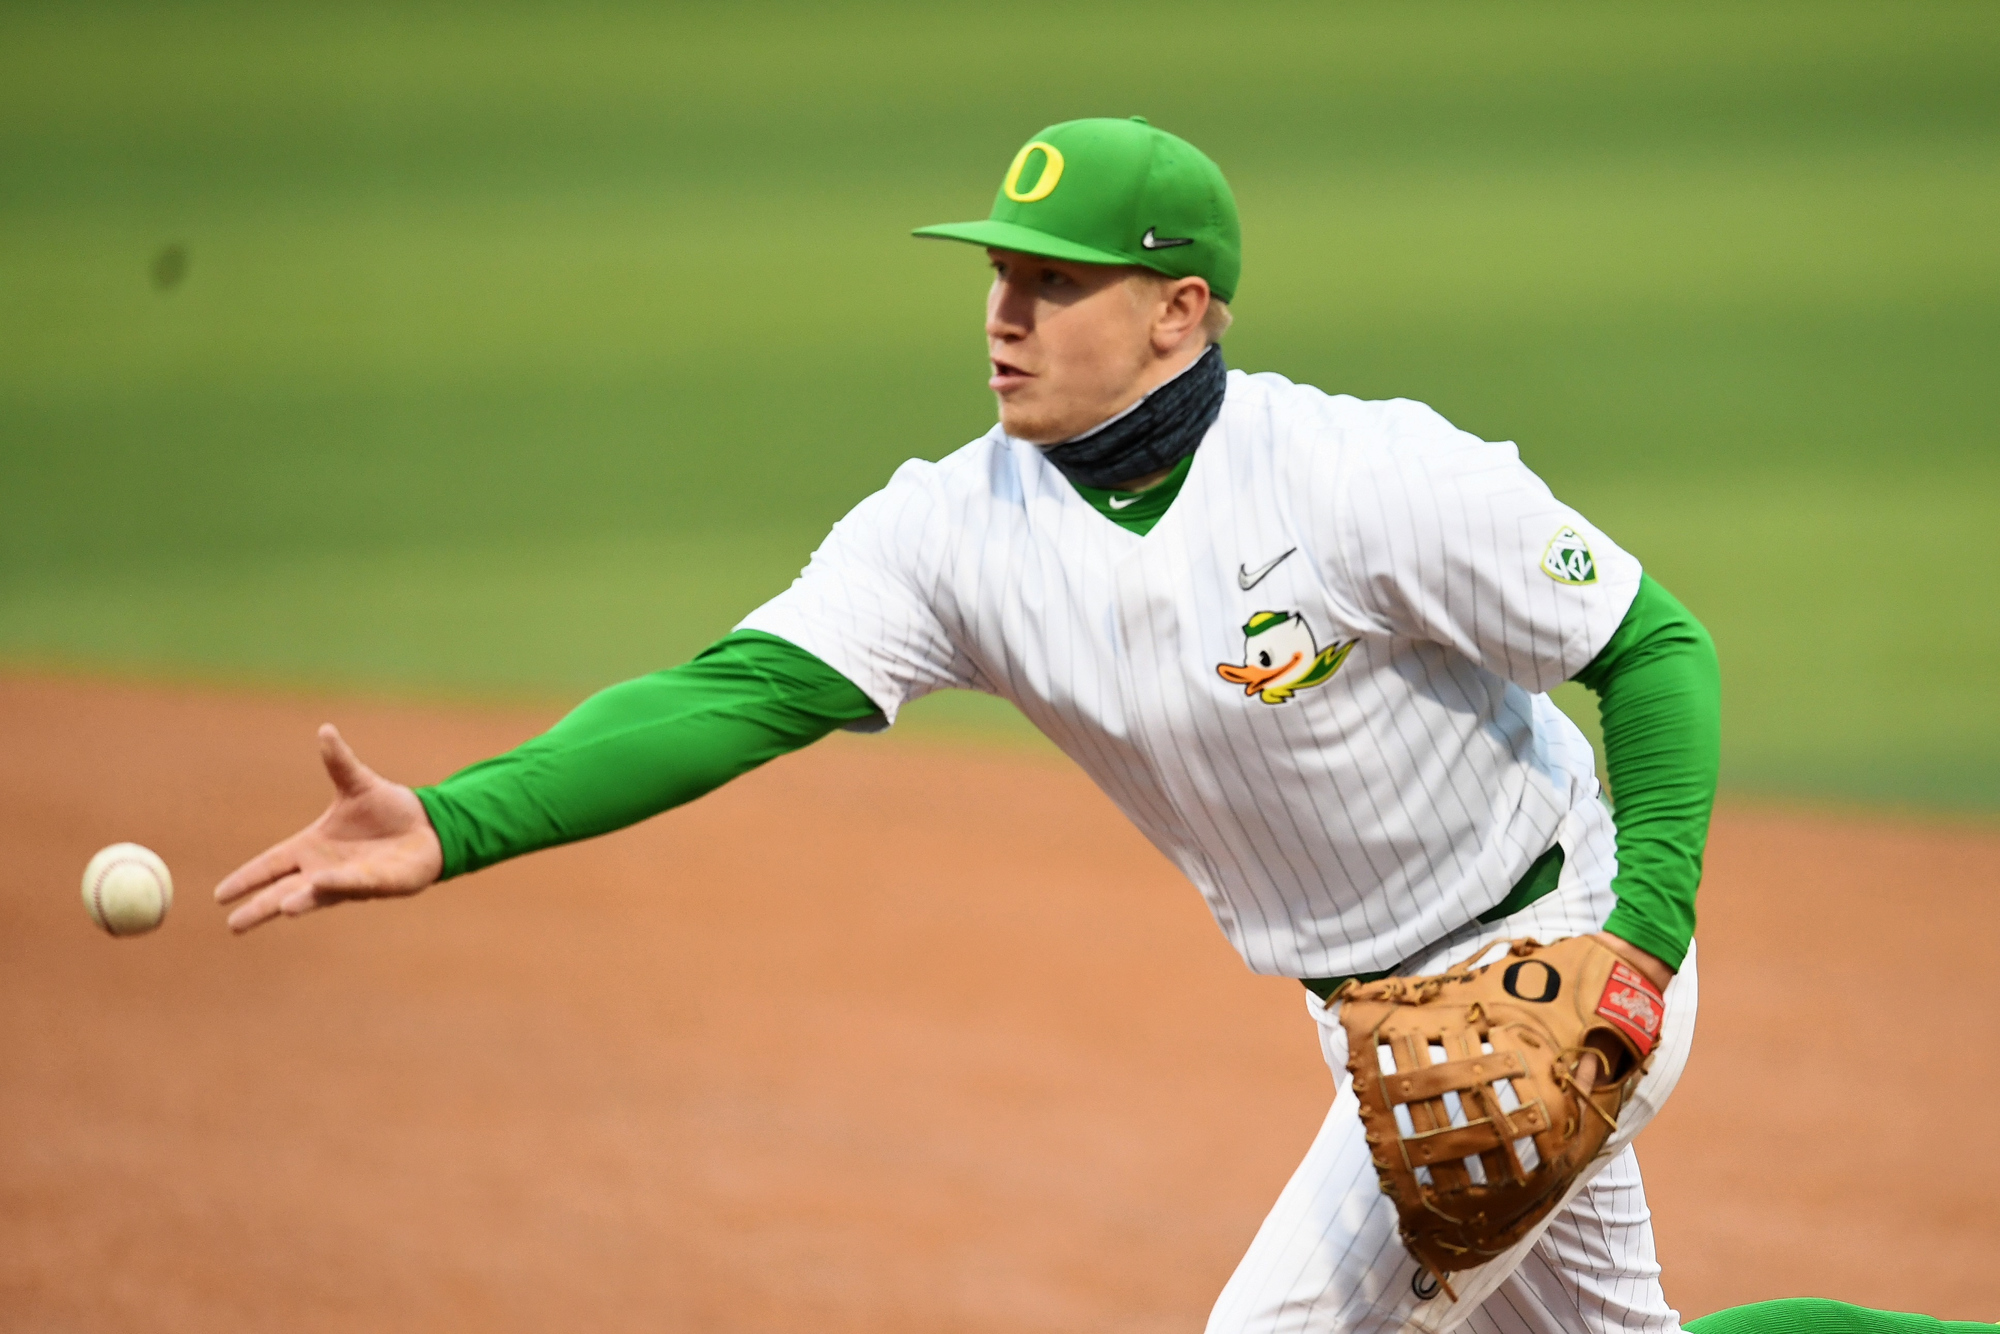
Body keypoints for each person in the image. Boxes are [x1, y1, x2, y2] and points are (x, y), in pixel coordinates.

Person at [218, 116, 1733, 1332]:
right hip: (1374, 1023)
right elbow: (735, 693)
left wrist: (1639, 956)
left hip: (1568, 952)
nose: (1005, 315)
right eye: (998, 273)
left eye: (1053, 282)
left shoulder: (1362, 476)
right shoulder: (952, 528)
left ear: (1177, 312)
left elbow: (1658, 647)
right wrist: (456, 818)